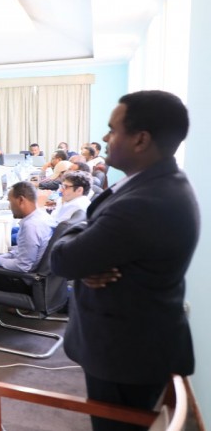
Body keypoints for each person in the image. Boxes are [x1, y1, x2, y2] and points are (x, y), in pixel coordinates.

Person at [50, 91, 198, 431]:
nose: (104, 138)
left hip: (124, 354)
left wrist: (84, 251)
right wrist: (89, 249)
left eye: (112, 129)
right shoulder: (158, 182)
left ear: (141, 139)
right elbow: (90, 233)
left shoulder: (145, 203)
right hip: (139, 341)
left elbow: (63, 259)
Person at [0, 181, 54, 275]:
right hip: (30, 271)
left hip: (23, 279)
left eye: (10, 201)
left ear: (21, 200)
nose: (10, 206)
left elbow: (22, 266)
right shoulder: (42, 216)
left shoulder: (31, 226)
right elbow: (22, 251)